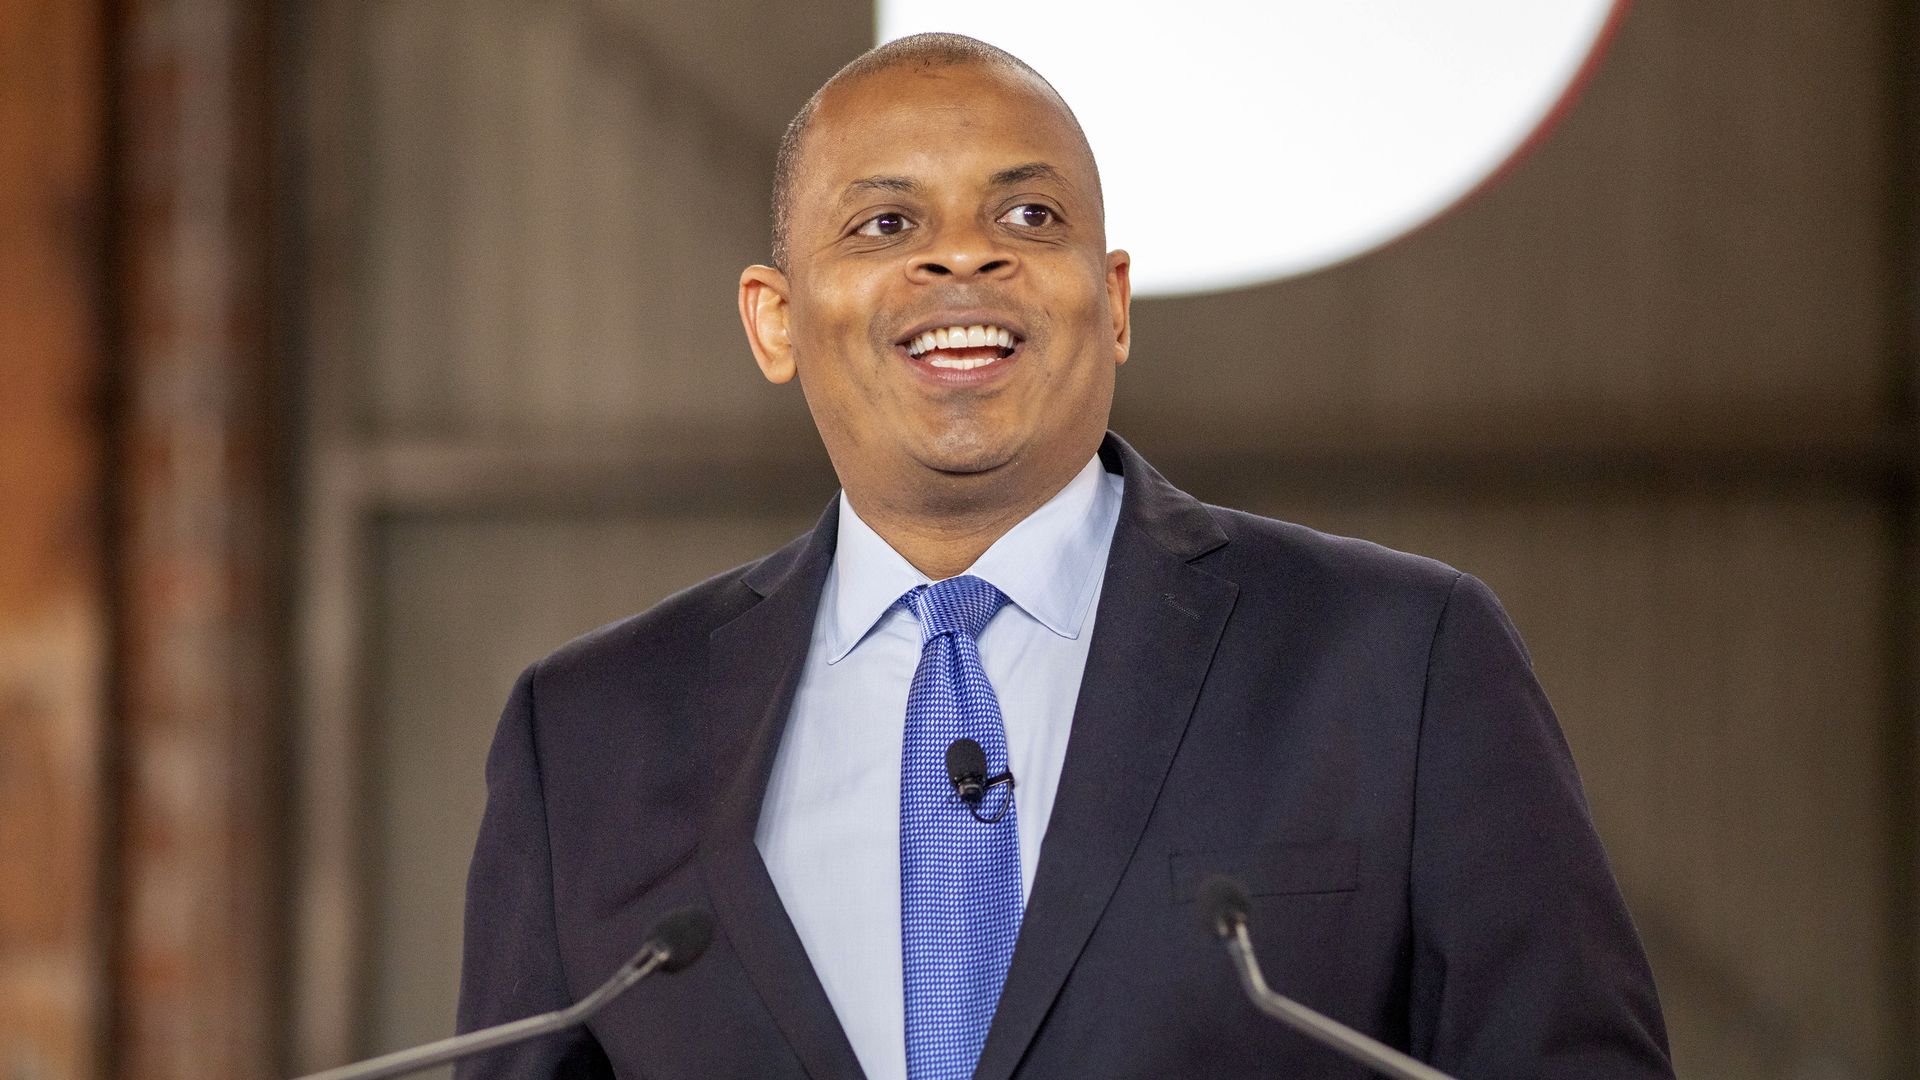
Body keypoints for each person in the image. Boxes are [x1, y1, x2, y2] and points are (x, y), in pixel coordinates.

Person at [455, 32, 1673, 1080]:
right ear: (776, 321)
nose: (962, 258)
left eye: (1028, 217)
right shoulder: (591, 734)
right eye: (887, 223)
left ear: (1115, 300)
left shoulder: (1397, 661)